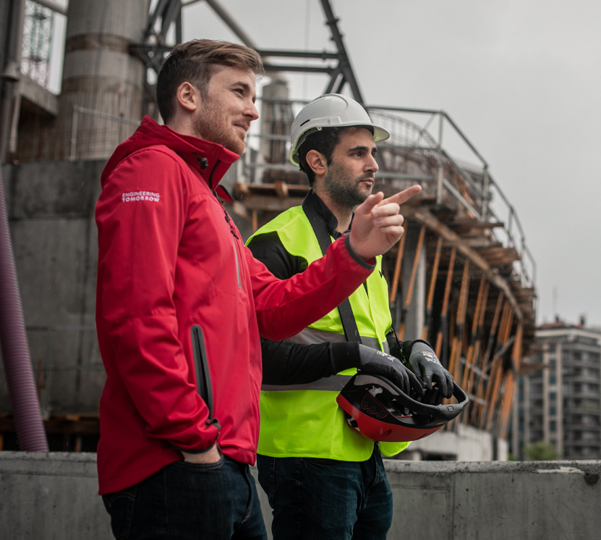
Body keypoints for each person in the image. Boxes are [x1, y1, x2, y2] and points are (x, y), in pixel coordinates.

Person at [94, 42, 420, 540]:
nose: (253, 109)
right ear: (188, 95)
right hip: (178, 461)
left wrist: (354, 253)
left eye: (255, 94)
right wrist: (193, 438)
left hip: (223, 460)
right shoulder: (153, 170)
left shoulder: (208, 198)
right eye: (240, 92)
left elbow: (271, 307)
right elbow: (137, 319)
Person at [245, 94, 454, 540]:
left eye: (372, 152)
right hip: (306, 453)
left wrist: (418, 351)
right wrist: (352, 356)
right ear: (317, 161)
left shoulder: (365, 248)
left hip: (366, 447)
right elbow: (255, 356)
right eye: (357, 153)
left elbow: (380, 334)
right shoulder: (274, 243)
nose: (373, 163)